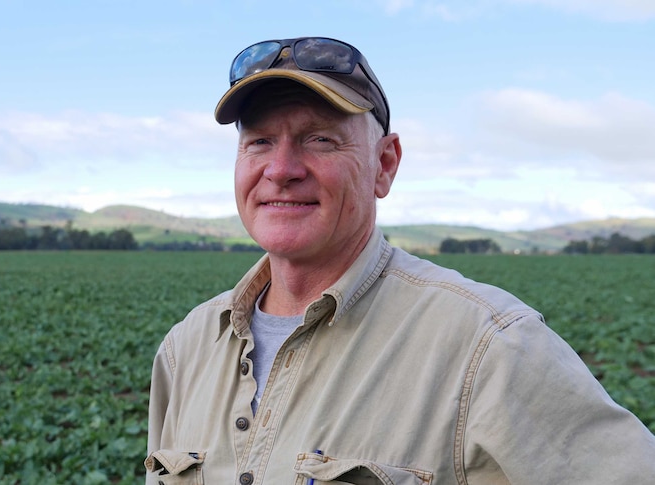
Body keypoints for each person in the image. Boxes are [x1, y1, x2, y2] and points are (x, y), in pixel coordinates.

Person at [145, 37, 655, 484]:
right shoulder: (185, 350)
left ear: (384, 165)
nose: (281, 169)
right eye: (259, 142)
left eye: (319, 138)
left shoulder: (490, 345)